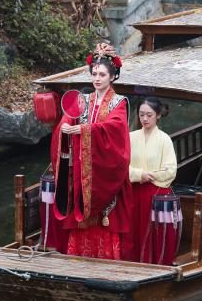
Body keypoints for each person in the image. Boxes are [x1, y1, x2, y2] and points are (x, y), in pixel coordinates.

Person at [51, 43, 132, 259]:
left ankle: (107, 261)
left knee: (106, 219)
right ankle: (78, 258)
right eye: (94, 74)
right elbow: (68, 118)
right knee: (80, 212)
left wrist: (84, 130)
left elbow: (115, 129)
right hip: (82, 169)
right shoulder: (83, 100)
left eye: (102, 74)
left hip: (106, 171)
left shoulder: (119, 103)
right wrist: (65, 128)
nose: (97, 78)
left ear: (112, 77)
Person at [127, 97, 178, 264]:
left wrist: (149, 175)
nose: (145, 119)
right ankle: (132, 263)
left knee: (156, 232)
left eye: (149, 115)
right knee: (133, 230)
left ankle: (156, 263)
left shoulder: (164, 139)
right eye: (141, 114)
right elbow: (121, 166)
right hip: (134, 191)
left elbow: (170, 170)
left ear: (158, 115)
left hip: (156, 192)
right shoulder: (131, 137)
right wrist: (138, 174)